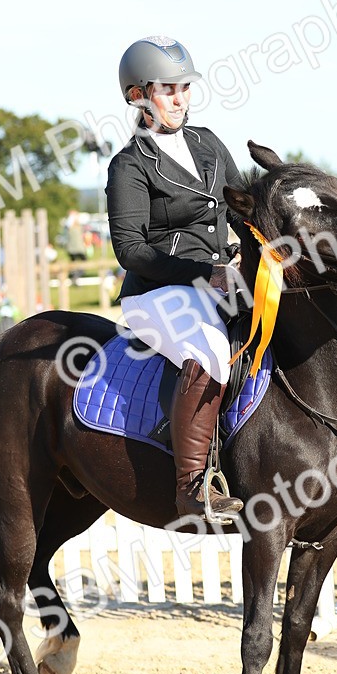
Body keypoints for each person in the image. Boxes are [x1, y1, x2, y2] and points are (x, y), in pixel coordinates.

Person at [106, 35, 246, 520]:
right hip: (159, 292)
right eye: (168, 89)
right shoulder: (128, 165)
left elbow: (243, 206)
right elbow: (131, 250)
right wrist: (206, 273)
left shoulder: (208, 143)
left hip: (225, 279)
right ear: (137, 96)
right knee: (208, 351)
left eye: (184, 87)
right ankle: (193, 487)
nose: (180, 98)